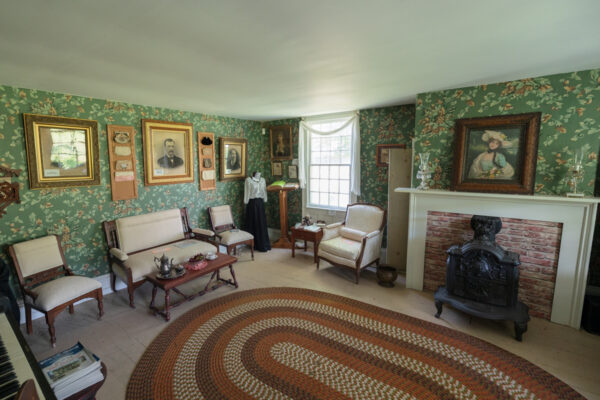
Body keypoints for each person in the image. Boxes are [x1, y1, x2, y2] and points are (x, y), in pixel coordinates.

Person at [244, 172, 270, 252]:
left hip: (260, 203)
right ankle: (254, 244)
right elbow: (247, 192)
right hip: (252, 203)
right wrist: (246, 201)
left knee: (261, 223)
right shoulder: (248, 180)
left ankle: (263, 243)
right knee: (254, 223)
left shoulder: (262, 180)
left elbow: (264, 191)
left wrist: (265, 199)